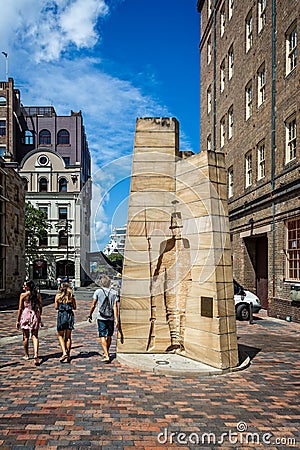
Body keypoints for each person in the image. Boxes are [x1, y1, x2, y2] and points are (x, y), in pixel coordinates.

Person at [88, 275, 119, 363]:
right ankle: (106, 352)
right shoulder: (114, 292)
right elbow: (115, 306)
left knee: (102, 335)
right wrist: (116, 319)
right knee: (109, 335)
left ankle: (106, 354)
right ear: (109, 283)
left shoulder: (98, 291)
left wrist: (90, 315)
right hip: (110, 317)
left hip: (101, 317)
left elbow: (93, 304)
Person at [16, 280, 43, 365]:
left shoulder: (23, 295)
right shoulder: (37, 295)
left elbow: (20, 308)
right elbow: (40, 306)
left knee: (25, 336)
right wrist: (39, 316)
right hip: (35, 314)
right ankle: (36, 354)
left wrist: (18, 320)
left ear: (28, 287)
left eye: (25, 286)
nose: (23, 287)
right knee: (35, 336)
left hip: (26, 314)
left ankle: (26, 354)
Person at [54, 282, 77, 363]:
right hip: (69, 316)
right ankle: (68, 355)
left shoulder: (57, 296)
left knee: (60, 335)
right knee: (68, 336)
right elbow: (75, 307)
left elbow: (56, 307)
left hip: (61, 315)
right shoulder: (71, 297)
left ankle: (64, 352)